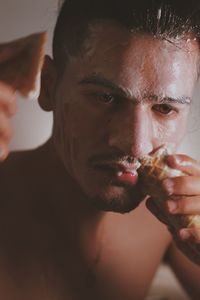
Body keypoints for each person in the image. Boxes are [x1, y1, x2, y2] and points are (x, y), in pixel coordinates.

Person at [0, 0, 200, 299]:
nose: (136, 145)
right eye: (105, 97)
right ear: (50, 86)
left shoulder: (171, 220)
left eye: (165, 108)